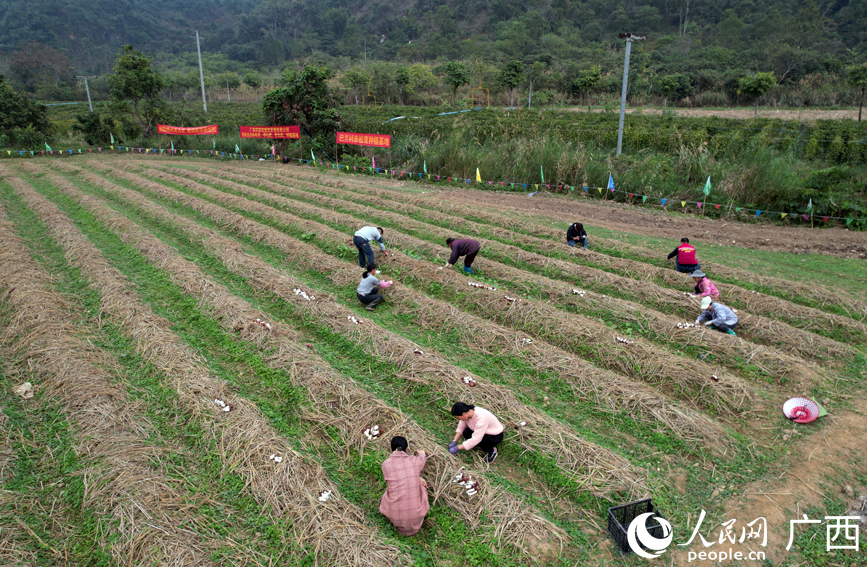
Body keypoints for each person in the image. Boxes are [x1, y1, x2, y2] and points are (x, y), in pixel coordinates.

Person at [379, 436, 429, 536]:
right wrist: (422, 454)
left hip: (395, 516)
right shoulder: (414, 461)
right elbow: (421, 460)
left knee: (392, 487)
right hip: (416, 516)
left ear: (390, 450)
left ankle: (397, 521)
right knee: (422, 486)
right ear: (406, 449)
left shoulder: (386, 465)